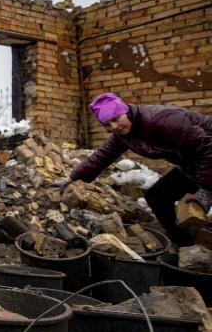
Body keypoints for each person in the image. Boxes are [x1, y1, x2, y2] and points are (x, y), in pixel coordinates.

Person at [56, 92, 212, 246]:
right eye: (107, 125)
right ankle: (186, 245)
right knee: (157, 196)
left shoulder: (162, 120)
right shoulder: (123, 136)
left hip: (208, 156)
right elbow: (101, 157)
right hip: (193, 165)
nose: (114, 127)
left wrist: (206, 189)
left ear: (125, 111)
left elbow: (207, 148)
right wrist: (71, 178)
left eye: (116, 119)